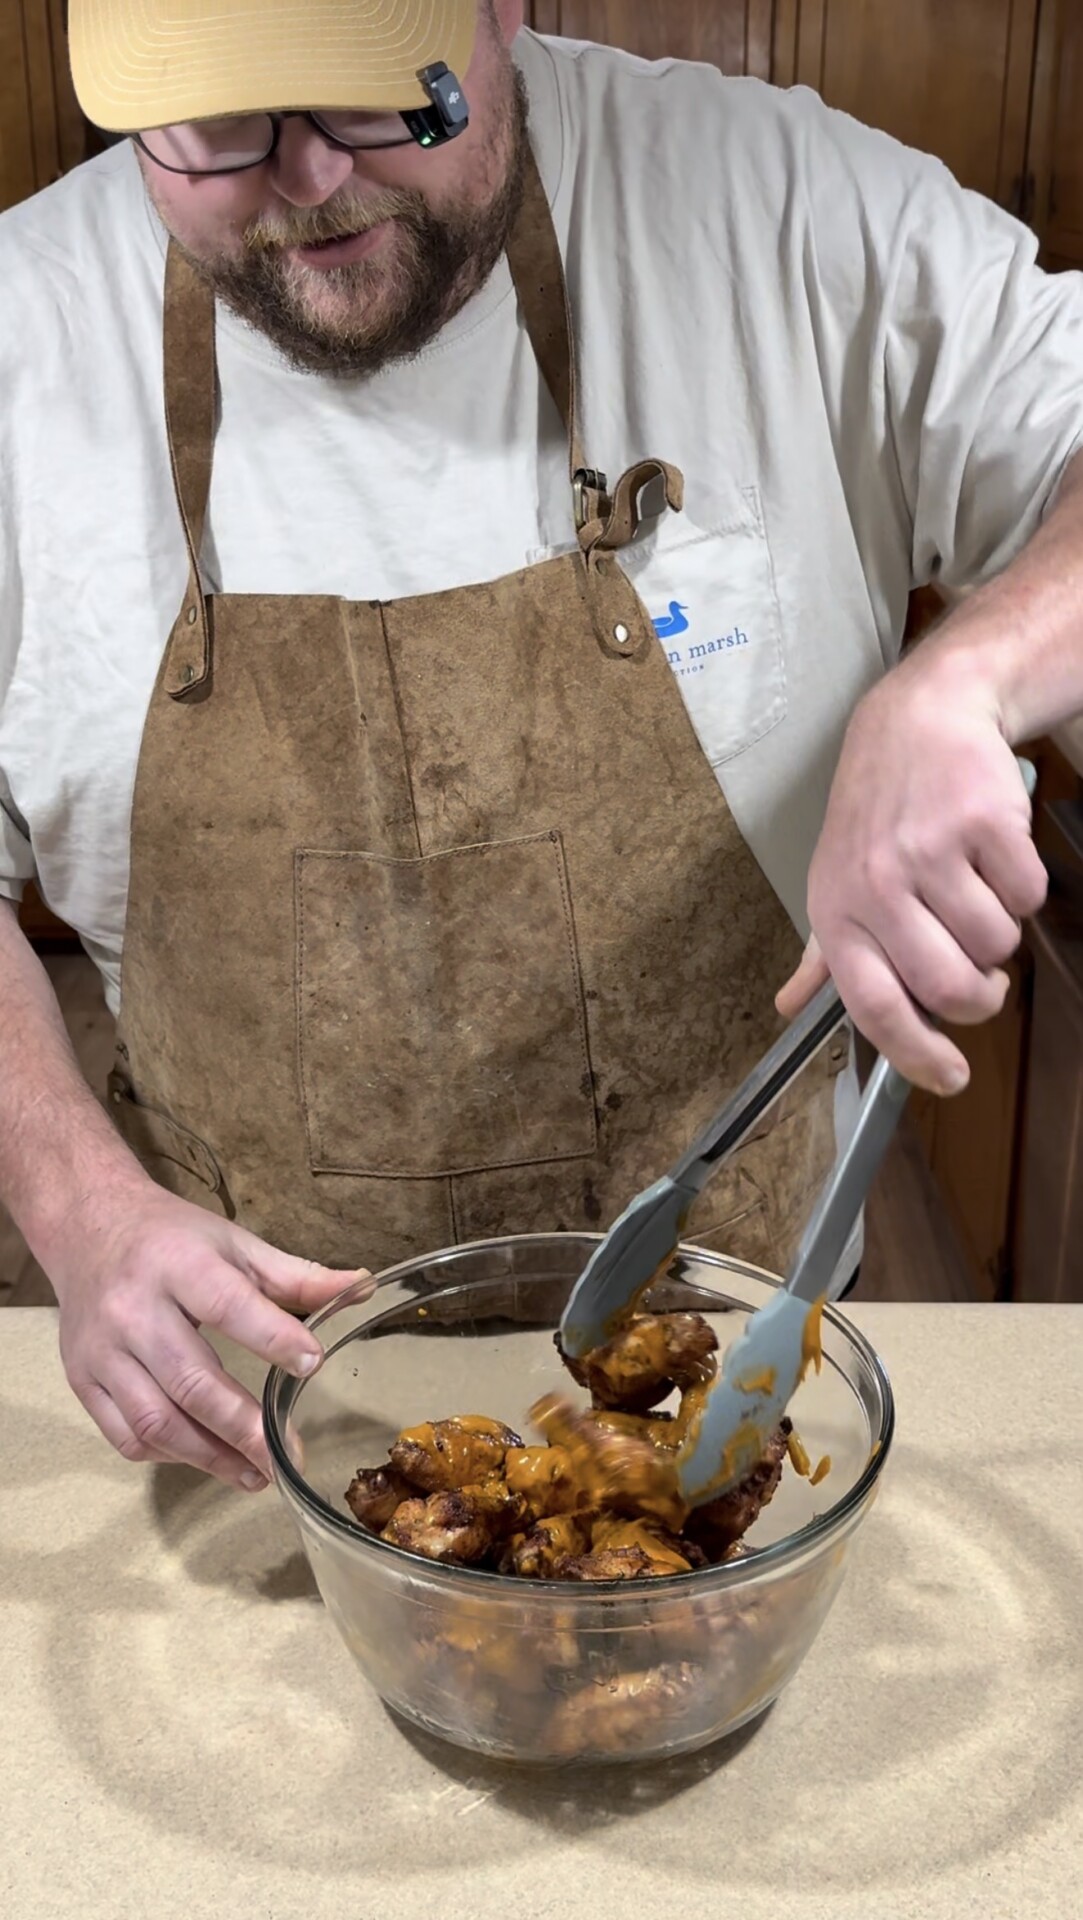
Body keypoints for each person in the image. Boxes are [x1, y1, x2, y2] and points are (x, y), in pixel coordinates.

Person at [0, 0, 1075, 1495]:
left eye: (383, 104)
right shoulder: (22, 334)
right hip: (235, 1406)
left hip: (737, 1364)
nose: (308, 185)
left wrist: (966, 678)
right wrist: (71, 1200)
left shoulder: (780, 213)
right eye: (214, 128)